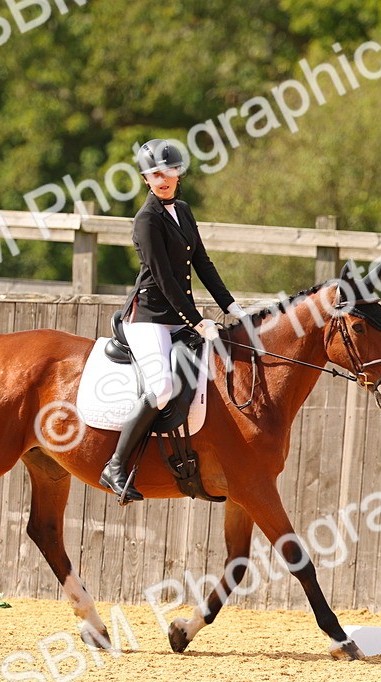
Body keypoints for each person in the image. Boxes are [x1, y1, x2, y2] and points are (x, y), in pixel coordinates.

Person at [99, 139, 247, 503]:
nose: (163, 178)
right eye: (154, 174)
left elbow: (203, 263)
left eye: (168, 171)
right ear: (146, 179)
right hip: (148, 319)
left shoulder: (182, 210)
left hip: (177, 318)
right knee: (162, 388)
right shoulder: (146, 220)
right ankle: (115, 466)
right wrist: (196, 321)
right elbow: (164, 279)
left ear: (178, 172)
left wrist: (230, 305)